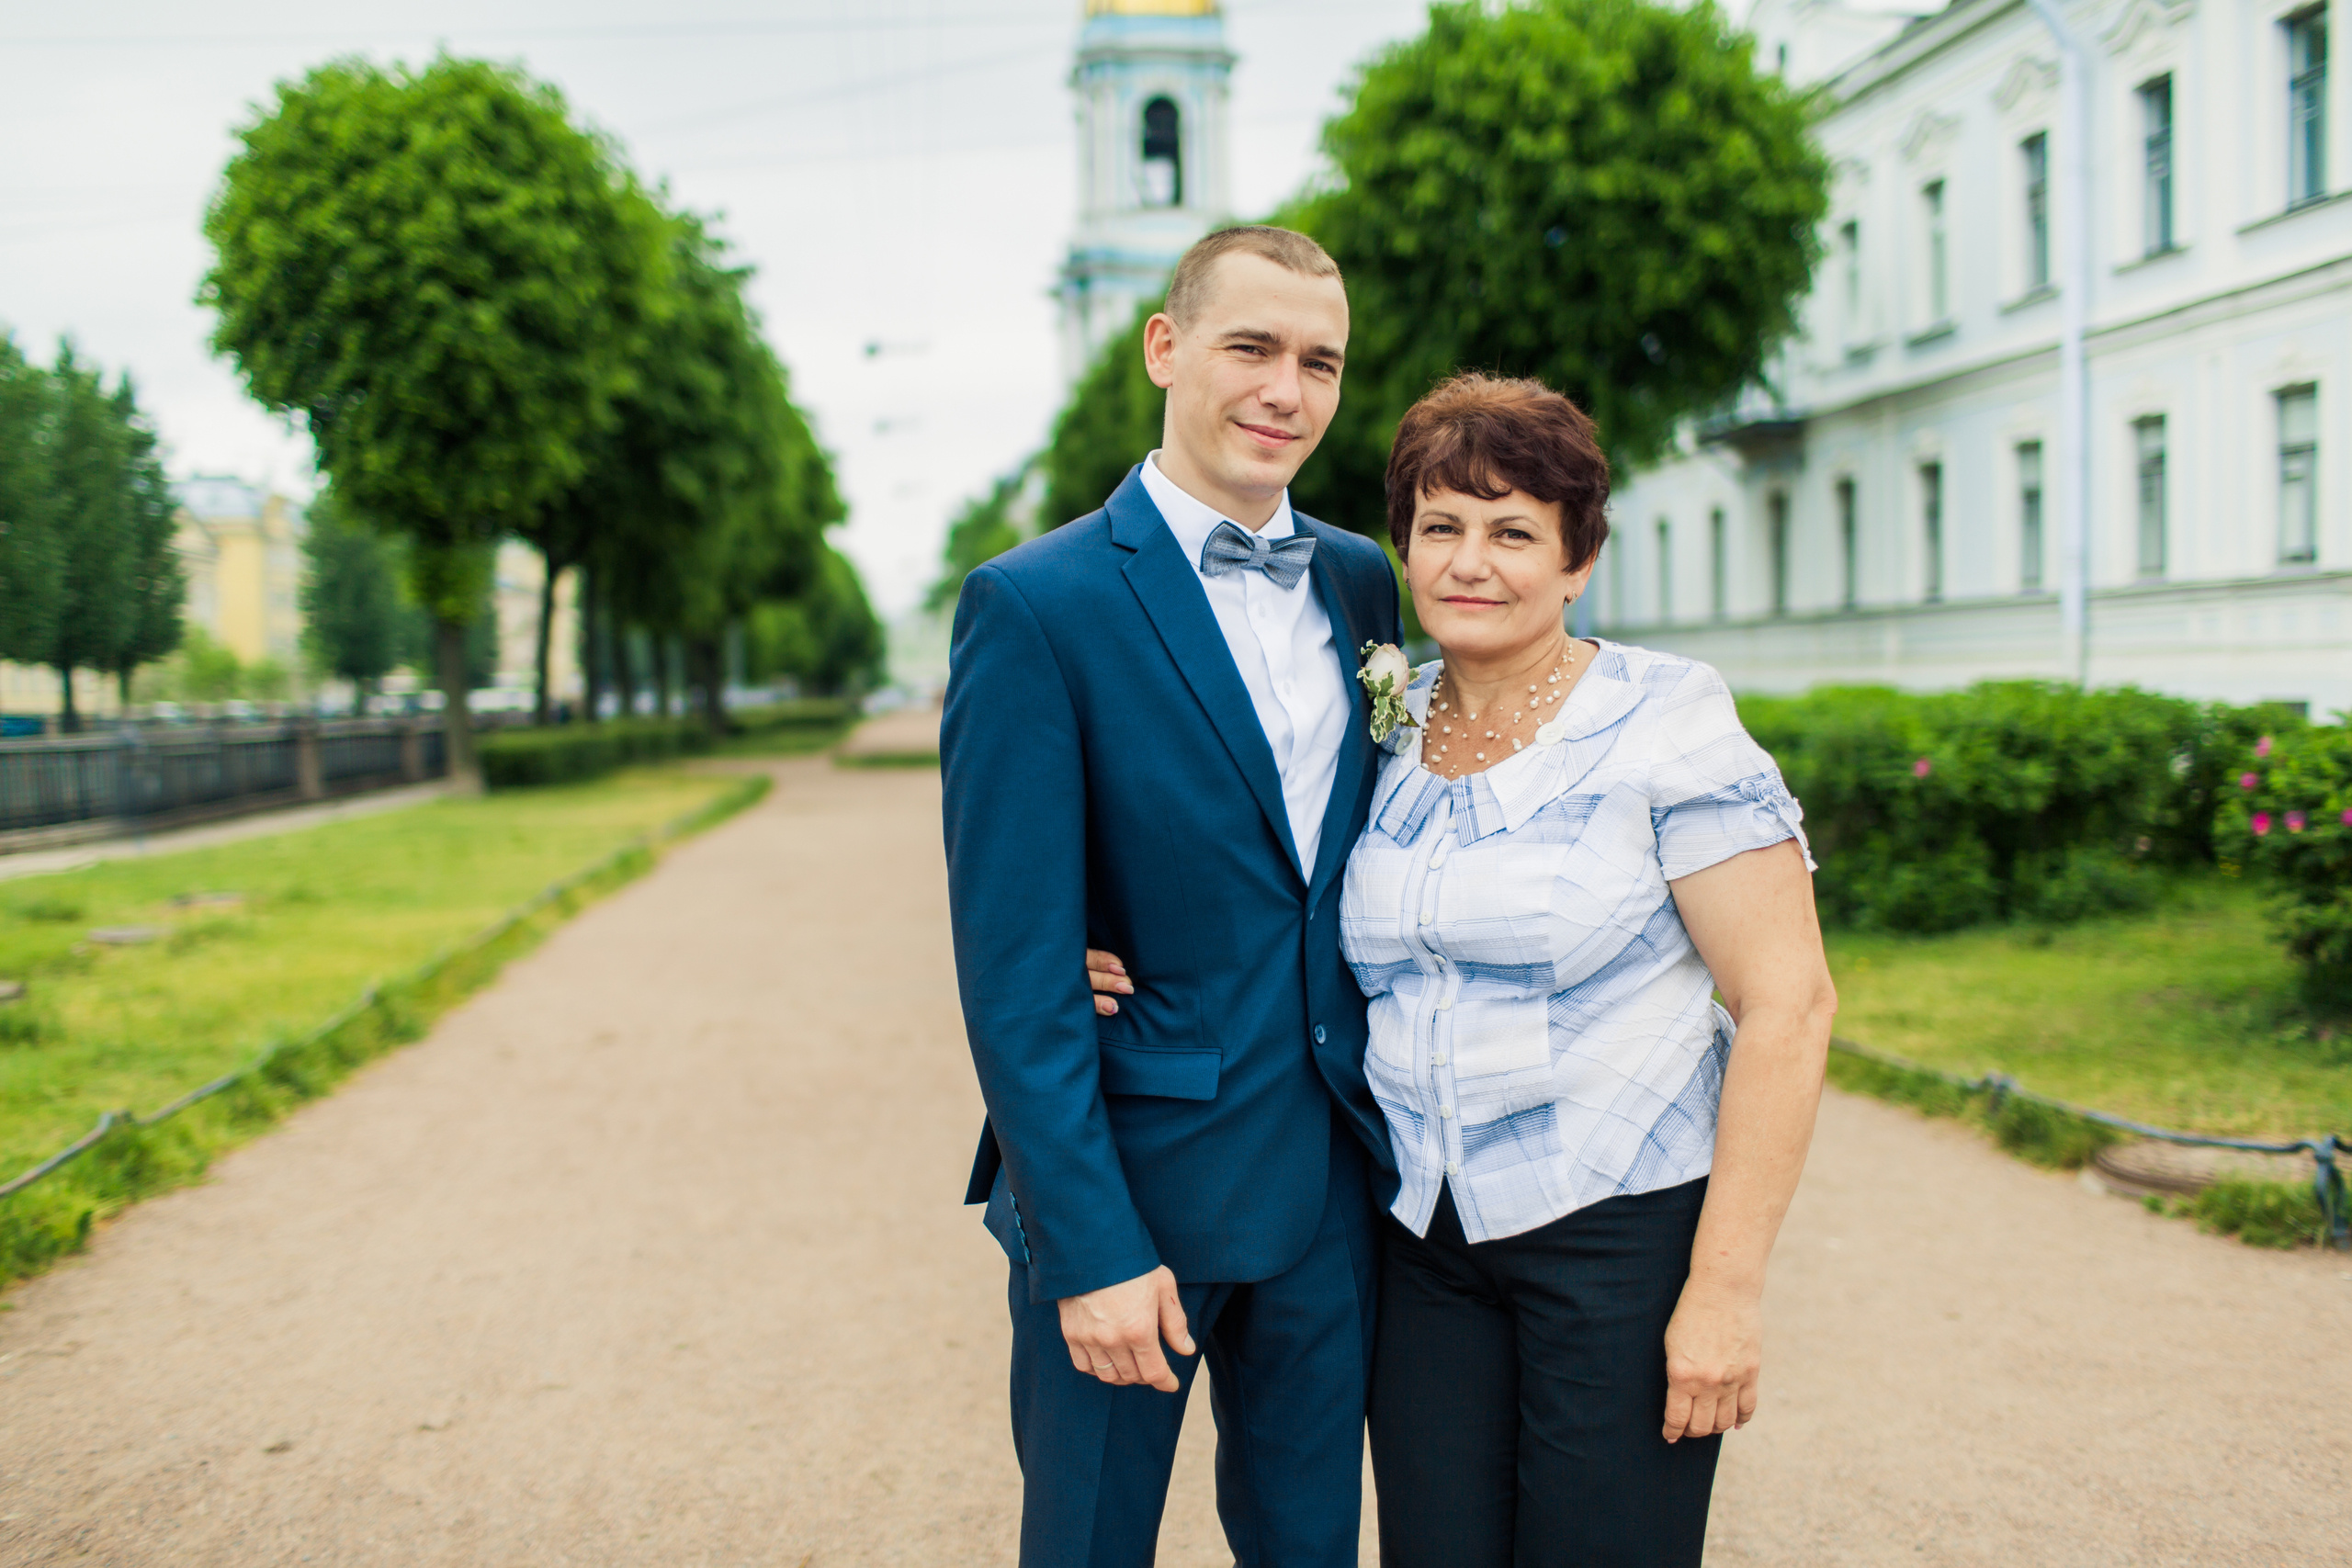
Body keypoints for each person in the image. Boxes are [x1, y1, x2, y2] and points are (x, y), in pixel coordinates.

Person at [1090, 372, 1837, 1564]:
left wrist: (1726, 1294)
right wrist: (1100, 939)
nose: (1469, 561)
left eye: (1512, 531)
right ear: (1402, 547)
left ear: (1578, 558)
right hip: (1424, 1244)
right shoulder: (1382, 716)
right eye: (1440, 526)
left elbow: (1788, 1007)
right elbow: (1257, 873)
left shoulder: (1669, 721)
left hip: (1614, 1234)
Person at [940, 225, 1402, 1568]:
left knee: (1311, 1545)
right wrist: (1086, 1249)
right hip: (1131, 1189)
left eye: (1319, 362)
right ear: (1166, 348)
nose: (1286, 390)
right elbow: (1017, 969)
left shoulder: (1363, 580)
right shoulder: (1034, 604)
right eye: (1251, 347)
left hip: (1328, 1188)